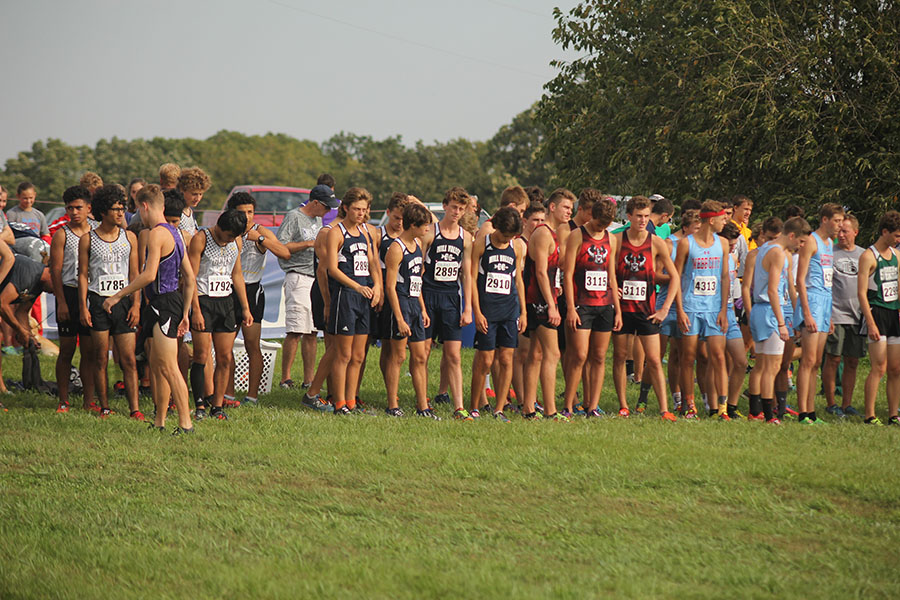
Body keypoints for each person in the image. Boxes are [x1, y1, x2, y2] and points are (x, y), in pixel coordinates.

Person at [103, 184, 196, 434]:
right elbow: (189, 277)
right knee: (156, 364)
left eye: (139, 212)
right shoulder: (175, 233)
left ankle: (186, 423)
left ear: (144, 206)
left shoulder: (156, 234)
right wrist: (185, 312)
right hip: (168, 303)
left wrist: (117, 296)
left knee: (168, 366)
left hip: (164, 303)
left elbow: (148, 275)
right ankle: (160, 420)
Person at [303, 187, 381, 415]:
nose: (360, 213)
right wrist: (355, 286)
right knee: (342, 353)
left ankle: (351, 401)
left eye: (364, 209)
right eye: (356, 209)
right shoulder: (336, 232)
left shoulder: (366, 233)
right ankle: (338, 403)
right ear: (346, 208)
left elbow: (373, 262)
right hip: (345, 296)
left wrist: (376, 286)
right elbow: (331, 269)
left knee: (358, 355)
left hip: (363, 298)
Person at [77, 185, 142, 419]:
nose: (120, 213)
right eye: (115, 209)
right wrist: (83, 306)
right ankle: (104, 405)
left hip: (123, 303)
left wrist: (136, 304)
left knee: (128, 359)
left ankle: (135, 409)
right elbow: (83, 275)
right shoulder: (88, 239)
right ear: (103, 211)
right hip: (98, 302)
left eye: (122, 208)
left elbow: (135, 275)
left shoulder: (130, 237)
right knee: (100, 357)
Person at [611, 196, 679, 420]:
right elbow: (608, 271)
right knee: (620, 356)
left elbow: (675, 277)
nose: (642, 220)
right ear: (629, 217)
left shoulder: (656, 242)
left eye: (646, 216)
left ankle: (664, 409)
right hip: (622, 309)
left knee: (654, 359)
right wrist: (612, 293)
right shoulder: (618, 240)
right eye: (638, 216)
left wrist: (664, 309)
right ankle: (623, 405)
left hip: (647, 310)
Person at [225, 192, 290, 405]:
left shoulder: (259, 231)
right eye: (242, 212)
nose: (247, 217)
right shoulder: (226, 230)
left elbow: (285, 252)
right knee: (226, 346)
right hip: (227, 290)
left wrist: (261, 239)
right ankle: (228, 393)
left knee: (252, 345)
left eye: (250, 212)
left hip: (252, 291)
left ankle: (252, 395)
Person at [188, 210, 252, 421]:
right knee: (201, 355)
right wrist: (195, 310)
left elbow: (237, 274)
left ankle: (217, 405)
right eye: (227, 236)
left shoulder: (236, 242)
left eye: (234, 237)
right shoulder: (201, 238)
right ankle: (199, 405)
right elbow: (191, 279)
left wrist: (245, 307)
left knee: (225, 357)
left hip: (226, 302)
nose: (229, 240)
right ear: (219, 228)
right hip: (204, 301)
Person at [276, 184, 340, 389]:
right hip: (298, 276)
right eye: (326, 206)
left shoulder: (318, 219)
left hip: (314, 277)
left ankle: (308, 379)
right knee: (295, 330)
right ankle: (285, 377)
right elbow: (281, 246)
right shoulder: (293, 216)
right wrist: (308, 243)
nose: (329, 211)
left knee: (312, 331)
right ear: (315, 203)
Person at [748, 217, 811, 424]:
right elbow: (773, 290)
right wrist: (782, 323)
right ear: (791, 235)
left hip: (760, 310)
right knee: (771, 367)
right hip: (769, 311)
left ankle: (756, 412)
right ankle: (768, 415)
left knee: (762, 365)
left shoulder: (767, 248)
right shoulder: (777, 252)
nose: (801, 246)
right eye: (800, 242)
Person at [562, 198, 620, 418]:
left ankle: (592, 406)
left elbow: (612, 275)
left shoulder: (611, 239)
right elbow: (567, 274)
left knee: (599, 356)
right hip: (582, 303)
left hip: (605, 304)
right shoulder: (577, 235)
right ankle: (568, 404)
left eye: (606, 225)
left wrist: (618, 309)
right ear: (592, 216)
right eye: (598, 224)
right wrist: (570, 308)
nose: (601, 229)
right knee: (579, 355)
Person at [674, 200, 731, 419]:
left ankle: (722, 407)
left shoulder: (723, 244)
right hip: (690, 307)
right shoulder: (686, 244)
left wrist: (724, 309)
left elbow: (725, 276)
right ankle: (689, 405)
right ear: (710, 219)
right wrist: (679, 309)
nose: (724, 222)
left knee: (718, 356)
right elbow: (677, 276)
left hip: (714, 308)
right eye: (721, 218)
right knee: (688, 357)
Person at [470, 206, 527, 421]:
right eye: (504, 235)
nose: (507, 239)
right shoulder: (482, 244)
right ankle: (475, 406)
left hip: (509, 309)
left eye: (511, 236)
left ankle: (499, 408)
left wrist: (523, 313)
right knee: (485, 360)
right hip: (487, 310)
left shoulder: (517, 247)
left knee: (506, 359)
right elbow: (472, 280)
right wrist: (477, 311)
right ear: (496, 228)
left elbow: (518, 281)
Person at [522, 188, 574, 421]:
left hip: (543, 297)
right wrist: (552, 304)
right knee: (552, 353)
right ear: (552, 207)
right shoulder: (543, 233)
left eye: (571, 209)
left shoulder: (554, 233)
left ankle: (528, 408)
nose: (569, 212)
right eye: (565, 207)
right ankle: (551, 410)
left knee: (536, 354)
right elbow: (541, 273)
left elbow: (553, 270)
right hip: (540, 301)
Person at [421, 187, 473, 420]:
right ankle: (423, 402)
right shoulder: (430, 233)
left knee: (454, 354)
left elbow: (467, 274)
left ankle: (459, 407)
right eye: (453, 207)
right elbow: (417, 269)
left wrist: (468, 307)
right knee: (422, 353)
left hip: (452, 298)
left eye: (461, 209)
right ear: (444, 206)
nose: (456, 212)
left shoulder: (466, 238)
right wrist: (420, 304)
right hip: (429, 294)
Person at [384, 203, 436, 418]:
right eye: (424, 226)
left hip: (415, 303)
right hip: (402, 304)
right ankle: (392, 405)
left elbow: (417, 280)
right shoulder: (396, 248)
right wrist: (399, 318)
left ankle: (422, 406)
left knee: (421, 356)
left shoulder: (416, 244)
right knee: (398, 357)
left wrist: (422, 308)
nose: (427, 230)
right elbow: (390, 286)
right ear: (412, 225)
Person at [794, 203, 844, 424]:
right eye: (836, 221)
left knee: (817, 362)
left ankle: (812, 411)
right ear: (824, 220)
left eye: (842, 221)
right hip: (812, 300)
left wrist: (829, 315)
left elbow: (828, 280)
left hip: (825, 302)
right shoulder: (811, 241)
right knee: (808, 359)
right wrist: (807, 313)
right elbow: (800, 279)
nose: (839, 226)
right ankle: (803, 411)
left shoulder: (829, 243)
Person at [50, 186, 97, 414]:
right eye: (70, 208)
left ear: (89, 208)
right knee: (67, 349)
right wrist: (61, 302)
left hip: (91, 294)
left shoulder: (98, 231)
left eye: (78, 207)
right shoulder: (62, 234)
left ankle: (89, 400)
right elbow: (55, 270)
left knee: (89, 351)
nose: (74, 212)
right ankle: (63, 400)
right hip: (69, 292)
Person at [857, 210, 900, 426]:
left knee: (895, 368)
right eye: (896, 235)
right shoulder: (868, 256)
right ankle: (870, 415)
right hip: (877, 312)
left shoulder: (897, 255)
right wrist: (871, 322)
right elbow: (861, 293)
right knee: (879, 366)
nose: (898, 240)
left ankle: (894, 414)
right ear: (885, 232)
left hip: (894, 312)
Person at [823, 214, 865, 417]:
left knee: (852, 361)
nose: (840, 234)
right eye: (839, 230)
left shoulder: (864, 255)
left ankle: (847, 404)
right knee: (833, 358)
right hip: (836, 313)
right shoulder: (830, 253)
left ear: (855, 232)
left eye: (845, 231)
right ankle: (831, 403)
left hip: (857, 316)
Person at [741, 217, 784, 419]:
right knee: (767, 365)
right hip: (764, 309)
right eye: (768, 237)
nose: (771, 241)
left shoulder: (776, 253)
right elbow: (747, 286)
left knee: (763, 364)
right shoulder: (758, 255)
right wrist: (749, 313)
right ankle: (764, 412)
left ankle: (756, 410)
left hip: (764, 308)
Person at [0, 255, 54, 407]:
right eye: (57, 288)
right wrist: (19, 330)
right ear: (51, 274)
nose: (54, 294)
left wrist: (29, 336)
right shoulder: (31, 274)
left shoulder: (38, 285)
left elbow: (22, 312)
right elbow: (3, 304)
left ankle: (2, 388)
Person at [511, 202, 546, 407]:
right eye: (535, 220)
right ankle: (522, 398)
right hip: (516, 300)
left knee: (536, 352)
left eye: (542, 220)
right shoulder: (519, 244)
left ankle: (531, 398)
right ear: (525, 221)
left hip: (536, 302)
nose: (539, 224)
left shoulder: (543, 241)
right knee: (521, 352)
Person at [719, 222, 749, 416]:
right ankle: (716, 404)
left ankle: (732, 405)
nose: (732, 249)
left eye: (734, 246)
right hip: (714, 312)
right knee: (715, 360)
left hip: (730, 311)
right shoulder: (717, 256)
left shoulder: (733, 258)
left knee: (741, 362)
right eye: (729, 245)